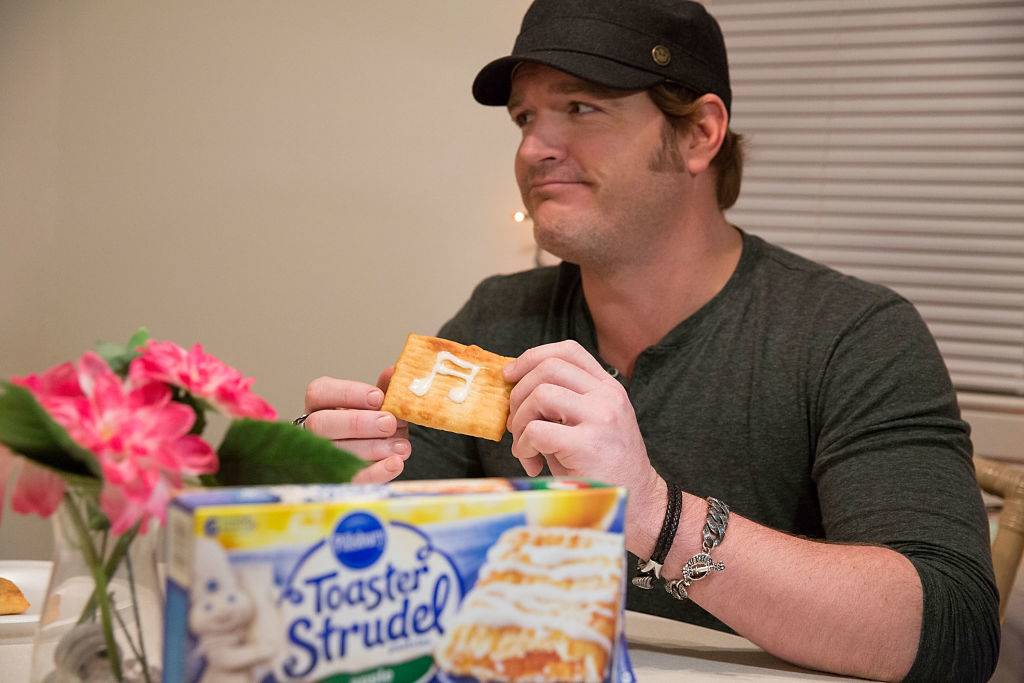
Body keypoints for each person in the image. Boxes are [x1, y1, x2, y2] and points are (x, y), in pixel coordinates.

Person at [301, 1, 999, 680]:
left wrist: (653, 512)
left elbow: (953, 628)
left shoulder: (853, 335)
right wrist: (333, 486)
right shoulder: (501, 315)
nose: (533, 149)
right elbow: (396, 555)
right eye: (525, 118)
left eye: (580, 108)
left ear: (698, 132)